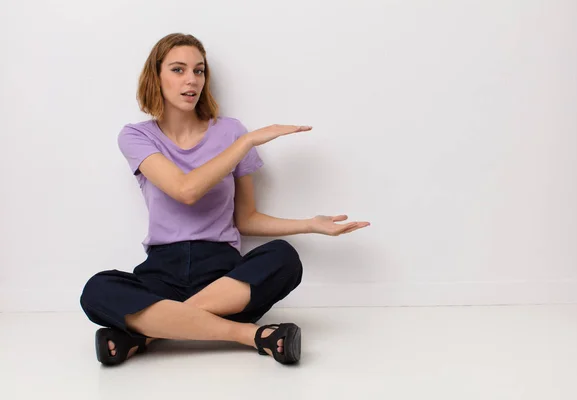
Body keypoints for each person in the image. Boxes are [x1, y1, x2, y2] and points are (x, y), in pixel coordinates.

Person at [79, 33, 370, 367]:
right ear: (155, 76)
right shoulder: (137, 136)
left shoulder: (230, 132)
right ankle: (252, 335)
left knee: (285, 258)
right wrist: (244, 144)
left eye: (199, 71)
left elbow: (245, 219)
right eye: (178, 69)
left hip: (222, 276)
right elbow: (185, 190)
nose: (191, 80)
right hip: (162, 271)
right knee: (96, 290)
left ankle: (147, 332)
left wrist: (310, 225)